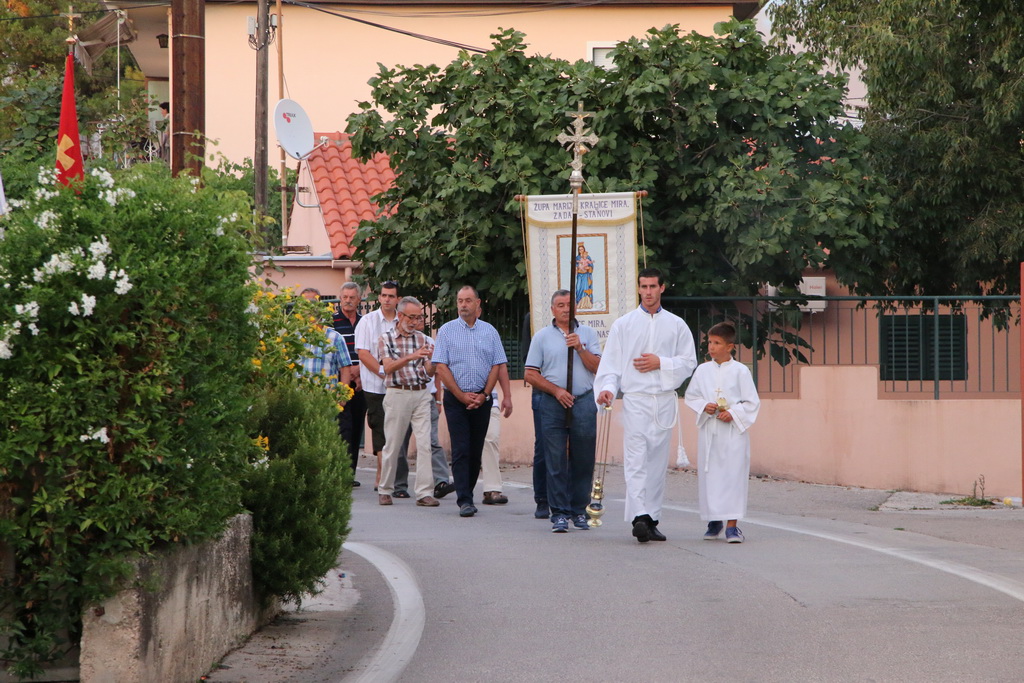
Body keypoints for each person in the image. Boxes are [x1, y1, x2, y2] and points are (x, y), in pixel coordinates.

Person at [595, 268, 697, 543]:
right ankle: (639, 516)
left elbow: (689, 362)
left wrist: (661, 362)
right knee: (636, 459)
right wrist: (606, 389)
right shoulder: (624, 325)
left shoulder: (676, 325)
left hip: (663, 402)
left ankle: (651, 518)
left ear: (662, 288)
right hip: (637, 400)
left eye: (653, 286)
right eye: (644, 286)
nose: (648, 292)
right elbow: (611, 364)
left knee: (656, 463)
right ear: (638, 288)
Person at [525, 289, 602, 533]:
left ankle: (579, 510)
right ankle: (558, 513)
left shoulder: (588, 334)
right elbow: (530, 373)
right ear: (552, 310)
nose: (565, 309)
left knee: (583, 458)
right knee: (555, 459)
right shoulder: (542, 337)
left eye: (569, 304)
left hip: (583, 400)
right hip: (552, 402)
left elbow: (598, 367)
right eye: (560, 305)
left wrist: (580, 348)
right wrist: (556, 390)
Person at [432, 286, 508, 518]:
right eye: (460, 301)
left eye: (467, 300)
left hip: (482, 399)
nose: (463, 304)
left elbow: (497, 364)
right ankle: (464, 499)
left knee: (476, 450)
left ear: (477, 304)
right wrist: (460, 395)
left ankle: (469, 491)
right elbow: (441, 366)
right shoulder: (446, 331)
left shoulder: (490, 332)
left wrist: (485, 394)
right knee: (462, 449)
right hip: (457, 400)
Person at [683, 322, 760, 543]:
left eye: (717, 343)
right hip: (710, 431)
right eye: (710, 342)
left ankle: (732, 526)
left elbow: (752, 402)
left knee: (733, 476)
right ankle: (714, 519)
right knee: (711, 476)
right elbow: (692, 396)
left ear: (730, 346)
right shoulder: (702, 370)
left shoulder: (740, 371)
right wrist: (704, 406)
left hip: (733, 434)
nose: (712, 347)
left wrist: (734, 412)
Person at [376, 297, 440, 507]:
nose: (415, 322)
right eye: (411, 317)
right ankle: (385, 489)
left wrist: (433, 363)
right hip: (397, 393)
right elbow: (388, 367)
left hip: (421, 393)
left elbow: (427, 371)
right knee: (393, 444)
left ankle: (424, 493)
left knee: (424, 445)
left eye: (419, 317)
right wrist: (412, 356)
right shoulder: (386, 338)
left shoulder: (423, 339)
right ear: (400, 315)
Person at [354, 281, 411, 497]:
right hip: (375, 384)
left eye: (391, 296)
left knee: (398, 430)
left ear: (398, 299)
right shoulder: (367, 321)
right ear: (379, 297)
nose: (387, 299)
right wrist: (382, 371)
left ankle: (396, 477)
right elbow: (363, 352)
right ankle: (381, 474)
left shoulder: (403, 321)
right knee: (379, 428)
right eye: (384, 295)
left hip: (399, 384)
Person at [333, 282, 367, 486]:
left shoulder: (364, 322)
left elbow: (370, 349)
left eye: (352, 297)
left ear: (359, 300)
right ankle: (340, 471)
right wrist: (349, 373)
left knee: (356, 427)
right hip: (341, 381)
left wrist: (360, 372)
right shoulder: (333, 321)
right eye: (344, 297)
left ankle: (350, 474)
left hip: (362, 381)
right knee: (342, 427)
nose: (347, 300)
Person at [298, 288, 354, 391]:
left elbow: (345, 368)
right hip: (299, 398)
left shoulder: (335, 338)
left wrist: (342, 395)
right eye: (305, 305)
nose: (309, 308)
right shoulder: (295, 337)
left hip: (326, 398)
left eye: (313, 304)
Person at [479, 365, 513, 505]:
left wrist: (507, 396)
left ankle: (492, 489)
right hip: (460, 399)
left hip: (489, 401)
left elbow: (501, 366)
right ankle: (465, 493)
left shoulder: (493, 341)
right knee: (465, 447)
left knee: (491, 440)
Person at [575, 243, 594, 310]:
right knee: (578, 288)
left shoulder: (588, 257)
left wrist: (588, 268)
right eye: (579, 249)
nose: (581, 251)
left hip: (586, 275)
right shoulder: (577, 257)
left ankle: (586, 304)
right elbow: (575, 266)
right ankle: (579, 303)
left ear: (584, 249)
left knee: (585, 288)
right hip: (580, 275)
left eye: (582, 249)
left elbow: (591, 265)